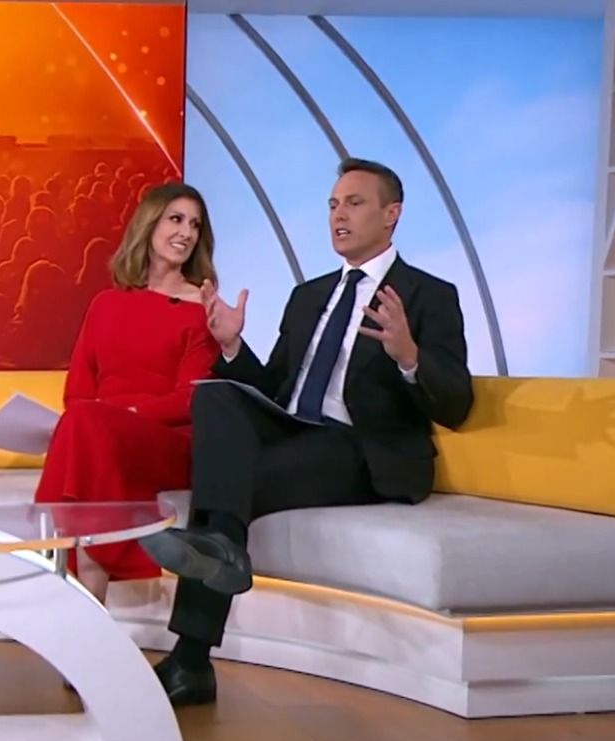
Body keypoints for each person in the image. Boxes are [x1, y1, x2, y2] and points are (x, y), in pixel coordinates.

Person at [139, 158, 475, 706]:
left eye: (354, 203)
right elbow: (273, 389)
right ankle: (218, 557)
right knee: (215, 393)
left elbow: (457, 404)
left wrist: (409, 356)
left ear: (391, 214)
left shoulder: (427, 295)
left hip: (361, 449)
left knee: (226, 490)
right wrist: (231, 346)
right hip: (293, 430)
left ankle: (192, 659)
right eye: (333, 205)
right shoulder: (308, 296)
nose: (339, 215)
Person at [34, 182, 220, 604]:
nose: (186, 232)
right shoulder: (105, 304)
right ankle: (86, 605)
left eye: (195, 225)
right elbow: (78, 391)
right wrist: (107, 422)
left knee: (85, 427)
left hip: (167, 442)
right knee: (84, 429)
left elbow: (189, 398)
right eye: (176, 219)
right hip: (101, 435)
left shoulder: (202, 308)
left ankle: (52, 580)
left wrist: (126, 415)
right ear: (149, 224)